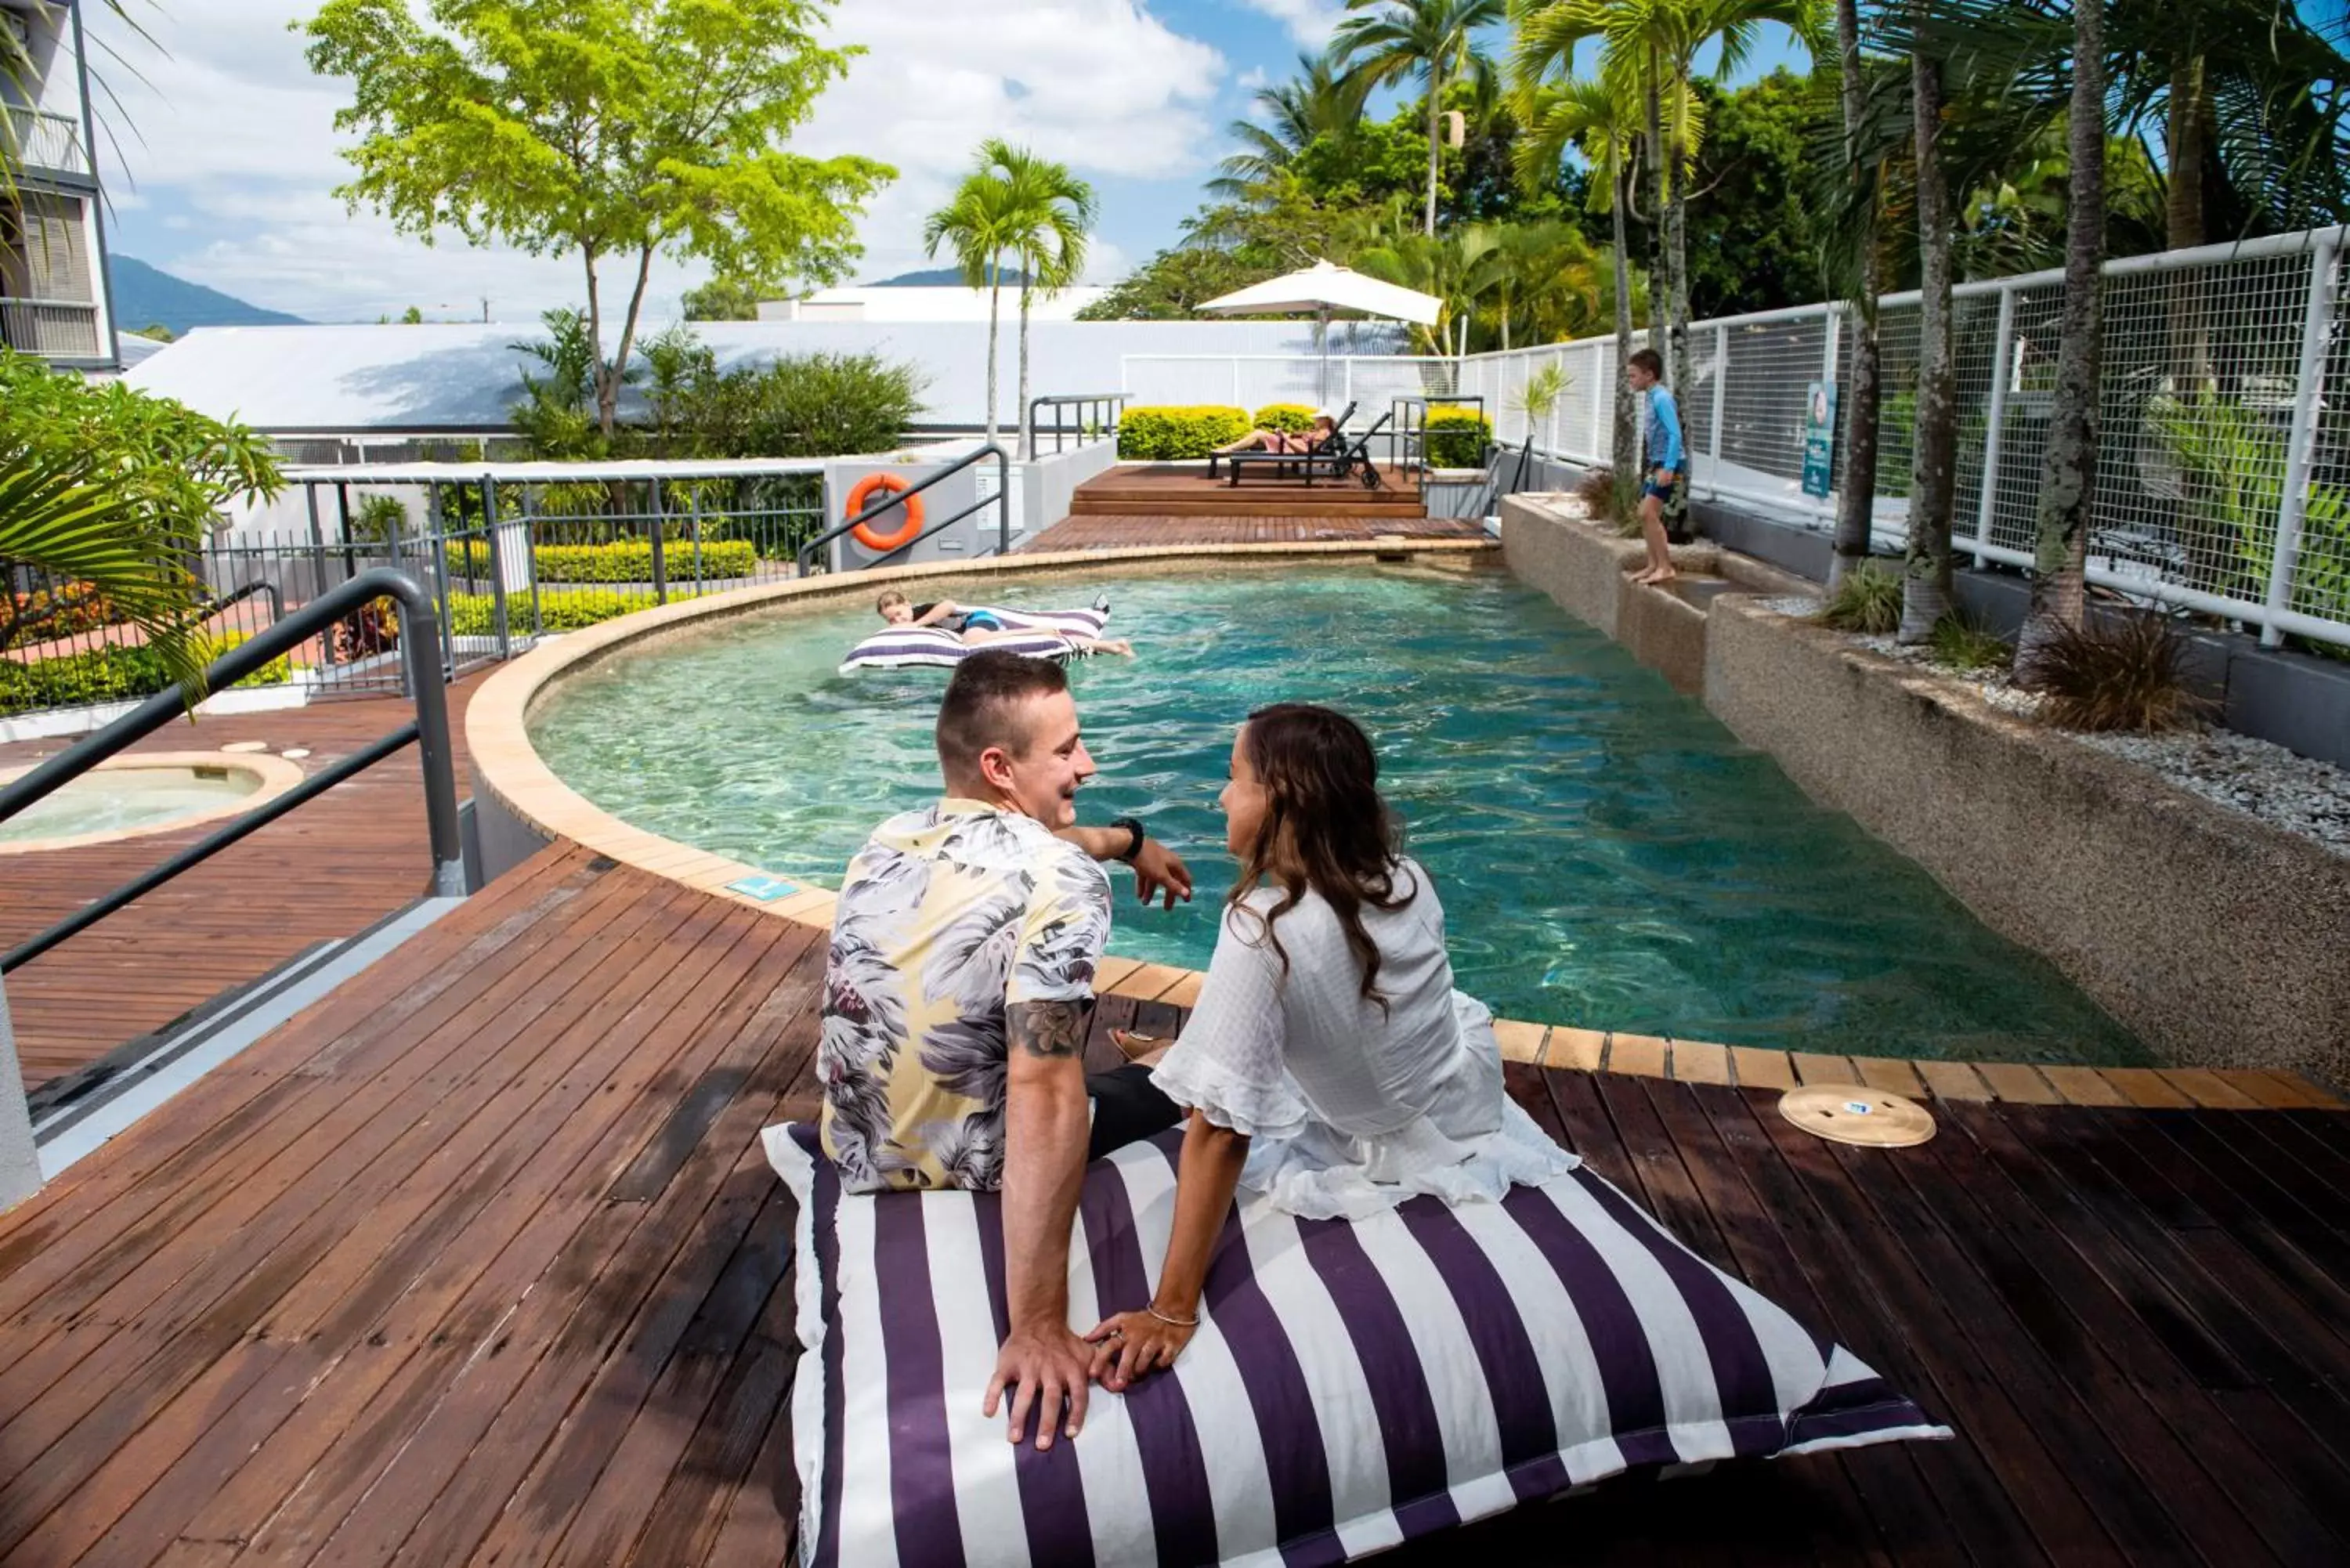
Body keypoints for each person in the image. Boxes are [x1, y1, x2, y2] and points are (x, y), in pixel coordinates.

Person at [1083, 703, 1577, 1389]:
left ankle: (1173, 1055)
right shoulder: (1405, 875)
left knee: (1229, 1069)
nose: (1221, 795)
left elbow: (1221, 1135)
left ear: (1279, 799)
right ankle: (1179, 1051)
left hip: (1383, 1136)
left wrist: (1172, 1312)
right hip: (1458, 1085)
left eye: (1233, 779)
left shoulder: (1261, 927)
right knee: (1257, 1037)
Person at [815, 651, 1191, 1451]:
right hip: (976, 1161)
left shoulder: (889, 839)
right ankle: (1160, 1061)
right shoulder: (1062, 880)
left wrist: (1130, 841)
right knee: (1181, 1075)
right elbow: (1046, 1088)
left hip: (855, 1141)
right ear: (999, 766)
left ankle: (1149, 1055)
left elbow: (1043, 836)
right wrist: (1039, 1323)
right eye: (1065, 751)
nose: (1086, 764)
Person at [875, 589, 1133, 657]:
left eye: (899, 613)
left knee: (970, 642)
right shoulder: (905, 625)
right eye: (891, 620)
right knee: (1055, 640)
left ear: (908, 604)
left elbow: (949, 605)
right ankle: (1112, 647)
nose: (898, 621)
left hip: (979, 621)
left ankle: (1035, 630)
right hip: (987, 627)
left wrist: (917, 624)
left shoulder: (921, 613)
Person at [1628, 348, 1684, 586]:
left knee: (1647, 512)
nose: (1630, 381)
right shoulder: (1651, 397)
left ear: (1649, 375)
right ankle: (1653, 564)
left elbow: (1675, 434)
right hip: (1657, 464)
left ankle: (1666, 567)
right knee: (1646, 515)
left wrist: (1669, 467)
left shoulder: (1661, 398)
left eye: (1633, 376)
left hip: (1670, 465)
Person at [1213, 409, 1338, 457]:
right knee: (1256, 437)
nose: (1315, 420)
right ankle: (1231, 450)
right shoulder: (1319, 431)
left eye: (1318, 419)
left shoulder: (1323, 433)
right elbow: (1303, 439)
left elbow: (1306, 452)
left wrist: (1285, 438)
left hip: (1288, 447)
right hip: (1286, 443)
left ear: (1326, 420)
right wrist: (1287, 435)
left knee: (1258, 434)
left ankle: (1229, 449)